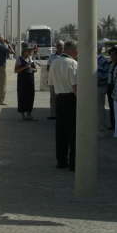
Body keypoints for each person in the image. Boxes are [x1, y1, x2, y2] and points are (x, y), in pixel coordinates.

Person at [48, 40, 78, 170]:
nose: (77, 53)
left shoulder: (54, 62)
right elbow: (75, 86)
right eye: (76, 50)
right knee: (73, 132)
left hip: (59, 98)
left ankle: (61, 161)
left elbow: (51, 83)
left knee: (60, 132)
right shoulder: (73, 63)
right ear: (71, 50)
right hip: (71, 99)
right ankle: (73, 162)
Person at [15, 45, 37, 120]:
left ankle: (29, 113)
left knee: (30, 96)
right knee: (22, 96)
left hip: (30, 80)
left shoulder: (30, 58)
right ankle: (23, 114)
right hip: (22, 80)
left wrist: (33, 69)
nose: (30, 52)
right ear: (24, 51)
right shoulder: (19, 59)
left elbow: (35, 69)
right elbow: (16, 70)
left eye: (30, 51)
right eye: (29, 51)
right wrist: (25, 67)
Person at [0, 35, 14, 105]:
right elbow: (12, 52)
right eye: (3, 39)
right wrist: (8, 43)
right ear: (2, 39)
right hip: (0, 66)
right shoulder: (1, 46)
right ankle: (0, 100)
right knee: (2, 84)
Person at [46, 41, 64, 120]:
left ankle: (61, 114)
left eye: (61, 46)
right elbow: (48, 68)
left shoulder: (66, 57)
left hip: (63, 81)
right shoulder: (52, 56)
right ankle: (53, 114)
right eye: (58, 46)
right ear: (56, 47)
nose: (60, 47)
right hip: (53, 81)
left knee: (62, 98)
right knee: (53, 98)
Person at [96, 45, 111, 132]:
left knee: (99, 108)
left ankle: (101, 127)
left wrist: (96, 78)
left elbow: (105, 75)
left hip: (99, 87)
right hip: (95, 87)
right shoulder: (92, 59)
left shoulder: (103, 60)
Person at [106, 47, 117, 130]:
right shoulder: (109, 64)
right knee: (111, 106)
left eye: (114, 55)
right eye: (111, 55)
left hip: (116, 87)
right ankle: (113, 124)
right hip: (109, 87)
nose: (112, 56)